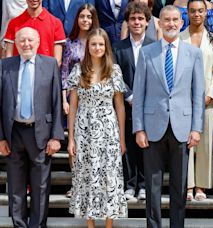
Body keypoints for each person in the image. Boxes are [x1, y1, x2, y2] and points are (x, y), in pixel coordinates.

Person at [132, 5, 204, 228]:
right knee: (152, 187)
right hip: (152, 127)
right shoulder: (146, 52)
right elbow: (139, 93)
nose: (171, 24)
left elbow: (198, 94)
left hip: (182, 128)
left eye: (175, 20)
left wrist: (196, 128)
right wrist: (139, 128)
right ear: (159, 23)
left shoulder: (194, 53)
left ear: (181, 23)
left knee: (179, 186)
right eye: (167, 20)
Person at [0, 27, 64, 228]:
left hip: (41, 134)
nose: (26, 44)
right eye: (22, 41)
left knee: (41, 186)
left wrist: (56, 136)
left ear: (37, 42)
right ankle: (19, 225)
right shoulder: (5, 65)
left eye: (30, 40)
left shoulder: (50, 64)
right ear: (16, 44)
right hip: (14, 133)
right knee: (16, 187)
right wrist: (1, 137)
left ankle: (37, 226)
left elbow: (56, 102)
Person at [67, 28, 128, 227]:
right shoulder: (78, 70)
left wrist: (122, 139)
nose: (97, 47)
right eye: (93, 44)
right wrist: (71, 139)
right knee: (86, 174)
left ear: (106, 46)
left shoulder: (115, 70)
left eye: (101, 44)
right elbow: (73, 106)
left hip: (109, 130)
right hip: (84, 130)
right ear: (88, 46)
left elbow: (120, 106)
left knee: (110, 175)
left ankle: (109, 223)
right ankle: (90, 223)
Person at [113, 1, 155, 201]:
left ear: (147, 22)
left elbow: (158, 76)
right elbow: (115, 75)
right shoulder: (118, 48)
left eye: (140, 19)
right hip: (127, 104)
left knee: (146, 145)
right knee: (128, 144)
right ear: (127, 22)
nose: (137, 22)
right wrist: (129, 95)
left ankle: (144, 184)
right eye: (132, 19)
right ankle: (130, 184)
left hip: (149, 105)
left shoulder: (155, 46)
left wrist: (144, 98)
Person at [180, 0, 213, 201]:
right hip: (184, 101)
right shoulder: (179, 38)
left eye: (201, 11)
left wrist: (210, 95)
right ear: (187, 13)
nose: (197, 14)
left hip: (207, 100)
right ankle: (188, 185)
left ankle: (201, 187)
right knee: (187, 143)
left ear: (206, 13)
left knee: (204, 144)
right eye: (193, 11)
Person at [60, 3, 99, 198]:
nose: (85, 20)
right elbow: (64, 73)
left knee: (93, 142)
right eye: (82, 16)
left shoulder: (99, 42)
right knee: (74, 142)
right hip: (74, 100)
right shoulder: (69, 43)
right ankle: (77, 184)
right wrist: (63, 100)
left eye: (89, 17)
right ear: (77, 19)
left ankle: (92, 184)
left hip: (96, 100)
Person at [4, 0, 66, 66]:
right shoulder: (14, 23)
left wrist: (49, 74)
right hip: (19, 72)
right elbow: (9, 56)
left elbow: (57, 60)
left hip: (45, 73)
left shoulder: (56, 23)